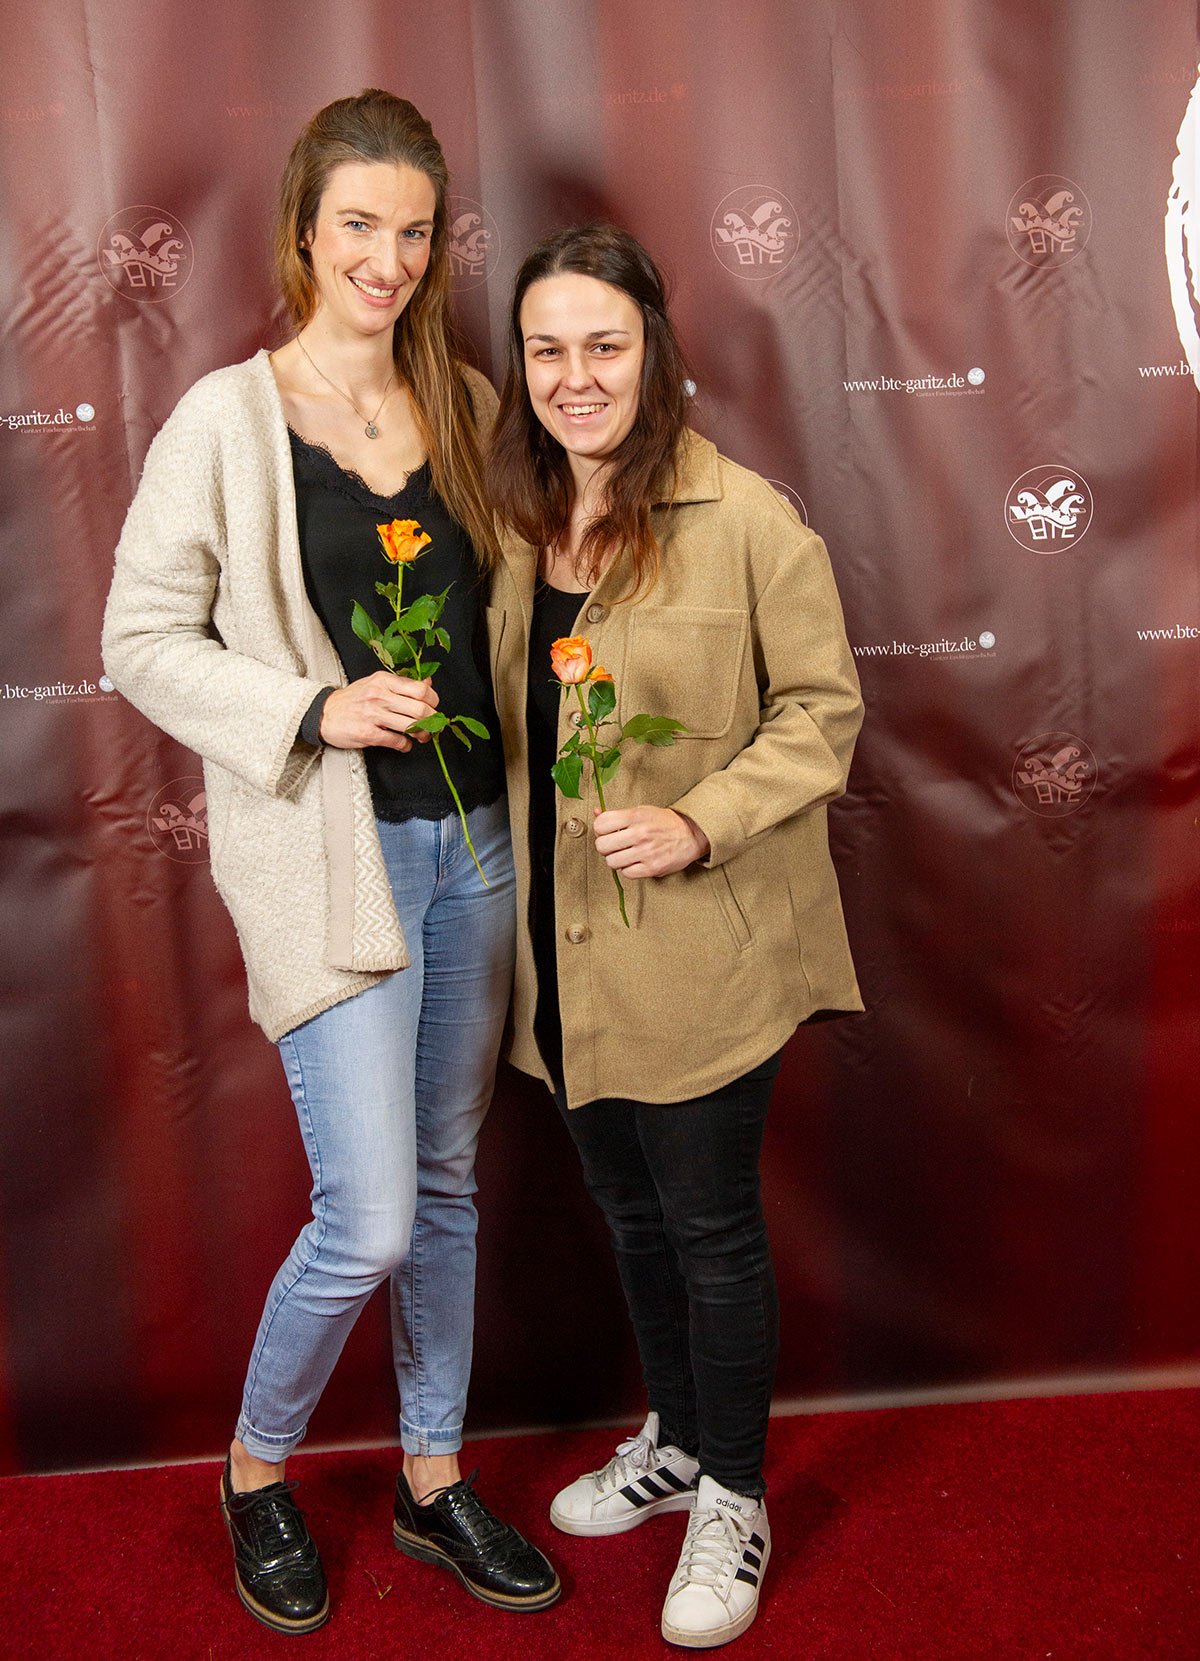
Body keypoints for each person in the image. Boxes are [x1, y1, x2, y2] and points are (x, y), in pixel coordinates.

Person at [102, 90, 558, 1635]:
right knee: (367, 1213)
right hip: (333, 863)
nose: (389, 257)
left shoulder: (470, 402)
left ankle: (432, 1476)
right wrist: (311, 707)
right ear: (305, 229)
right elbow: (139, 640)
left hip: (477, 848)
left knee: (446, 1184)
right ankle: (254, 1468)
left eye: (415, 231)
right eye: (360, 223)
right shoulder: (223, 421)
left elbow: (530, 605)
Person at [486, 224, 863, 1649]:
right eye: (547, 350)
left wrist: (703, 819)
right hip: (562, 956)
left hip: (703, 953)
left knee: (709, 1228)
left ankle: (737, 1496)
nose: (575, 377)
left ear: (654, 351)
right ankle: (681, 1440)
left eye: (605, 345)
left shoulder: (748, 518)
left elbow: (822, 713)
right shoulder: (515, 526)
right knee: (632, 1214)